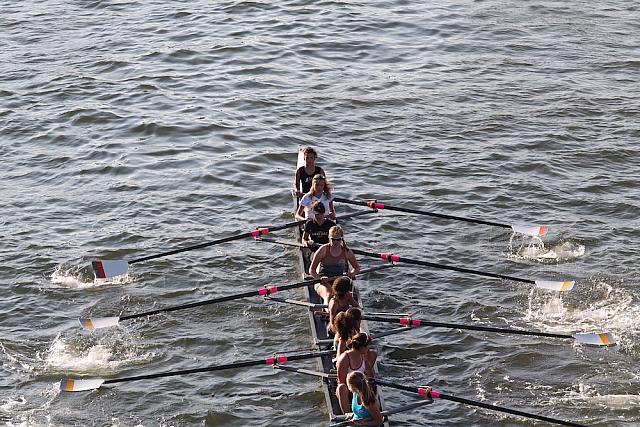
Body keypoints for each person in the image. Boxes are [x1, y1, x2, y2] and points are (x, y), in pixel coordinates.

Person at [309, 225, 359, 304]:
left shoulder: (347, 251)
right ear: (329, 238)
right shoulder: (323, 250)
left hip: (339, 282)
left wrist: (351, 274)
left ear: (341, 239)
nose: (335, 242)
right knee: (329, 294)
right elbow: (311, 270)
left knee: (347, 297)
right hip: (324, 282)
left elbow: (356, 268)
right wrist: (319, 278)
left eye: (338, 239)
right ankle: (328, 314)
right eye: (333, 239)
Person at [336, 333, 377, 415]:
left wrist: (372, 380)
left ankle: (371, 411)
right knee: (341, 387)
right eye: (367, 346)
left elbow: (371, 374)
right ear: (361, 347)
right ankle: (347, 414)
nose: (368, 348)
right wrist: (355, 390)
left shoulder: (363, 356)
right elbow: (342, 381)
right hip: (349, 388)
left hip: (359, 387)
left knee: (370, 384)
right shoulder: (344, 359)